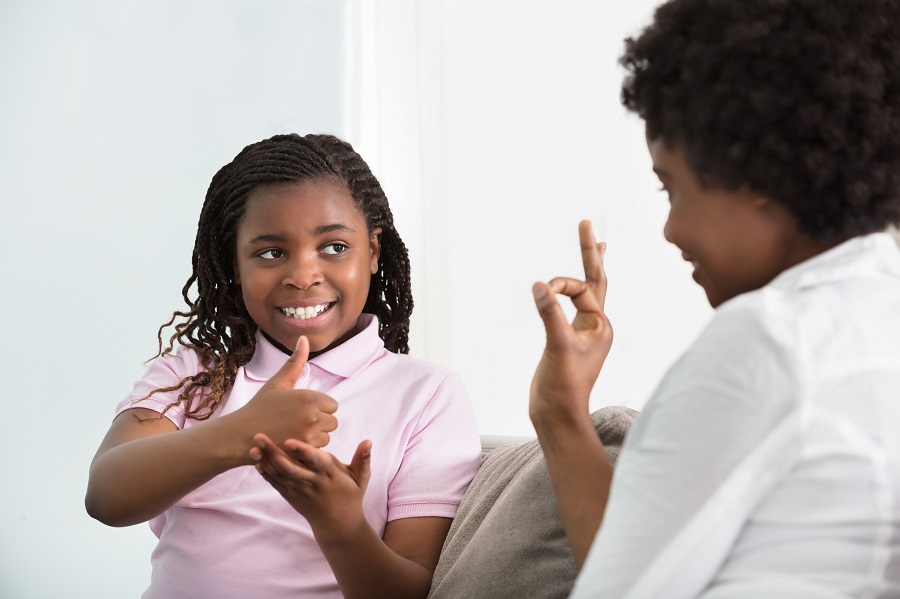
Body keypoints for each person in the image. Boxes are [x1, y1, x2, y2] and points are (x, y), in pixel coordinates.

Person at [529, 1, 900, 597]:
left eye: (672, 187)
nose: (670, 231)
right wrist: (561, 412)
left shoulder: (769, 340)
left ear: (751, 173)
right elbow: (642, 565)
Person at [85, 133, 481, 599]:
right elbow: (106, 497)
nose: (303, 275)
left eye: (334, 246)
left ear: (373, 252)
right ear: (234, 263)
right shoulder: (193, 374)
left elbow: (412, 590)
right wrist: (242, 433)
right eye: (271, 253)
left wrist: (340, 525)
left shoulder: (425, 394)